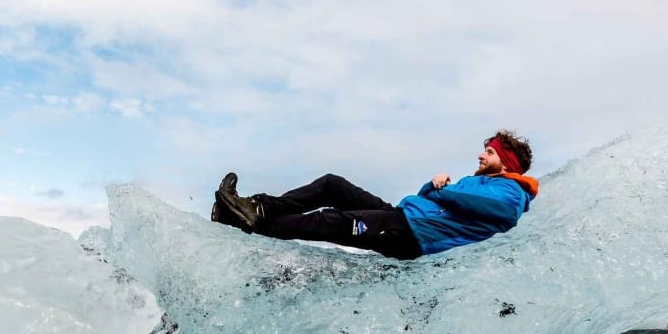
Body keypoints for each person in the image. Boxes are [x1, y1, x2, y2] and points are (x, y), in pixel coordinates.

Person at [211, 130, 538, 260]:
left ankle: (248, 224)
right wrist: (432, 188)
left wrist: (445, 192)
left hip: (410, 236)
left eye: (491, 153)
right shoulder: (477, 180)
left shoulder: (511, 192)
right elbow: (431, 200)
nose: (482, 156)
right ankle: (257, 207)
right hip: (403, 216)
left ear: (506, 163)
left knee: (330, 221)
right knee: (332, 185)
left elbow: (502, 214)